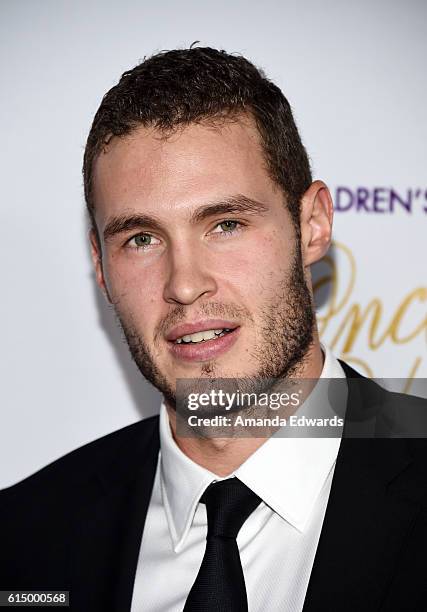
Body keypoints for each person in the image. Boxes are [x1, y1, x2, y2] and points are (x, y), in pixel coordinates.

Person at [1, 46, 427, 612]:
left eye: (226, 224)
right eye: (141, 239)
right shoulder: (22, 540)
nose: (184, 283)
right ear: (101, 266)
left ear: (313, 225)